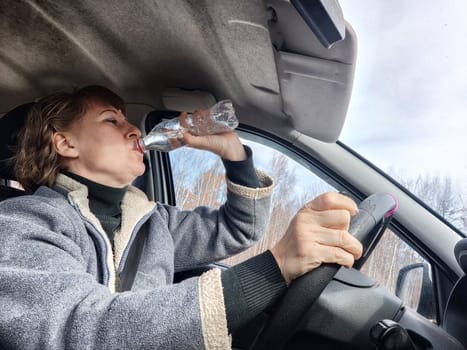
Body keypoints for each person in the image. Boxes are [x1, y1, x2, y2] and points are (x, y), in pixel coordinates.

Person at [0, 85, 362, 349]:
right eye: (111, 120)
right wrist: (275, 266)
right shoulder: (22, 223)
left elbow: (238, 230)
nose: (133, 131)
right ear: (66, 144)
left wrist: (235, 157)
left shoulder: (153, 219)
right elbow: (82, 328)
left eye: (128, 120)